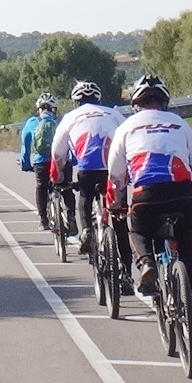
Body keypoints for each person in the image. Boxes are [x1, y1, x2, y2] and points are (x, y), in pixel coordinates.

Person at [106, 74, 192, 343]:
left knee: (137, 230)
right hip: (184, 195)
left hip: (147, 196)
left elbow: (116, 175)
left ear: (136, 104)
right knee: (191, 256)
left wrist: (116, 204)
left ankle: (146, 263)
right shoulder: (180, 124)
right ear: (164, 102)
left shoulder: (126, 128)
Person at [52, 80, 126, 281]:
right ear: (98, 99)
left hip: (87, 170)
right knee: (119, 220)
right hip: (112, 170)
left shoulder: (70, 117)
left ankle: (86, 231)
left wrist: (57, 177)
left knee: (85, 196)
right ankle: (127, 272)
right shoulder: (114, 114)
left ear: (75, 102)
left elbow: (58, 152)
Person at [17, 93, 61, 230]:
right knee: (65, 187)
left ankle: (43, 220)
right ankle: (71, 217)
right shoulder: (61, 121)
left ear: (39, 109)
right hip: (59, 161)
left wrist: (25, 164)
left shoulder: (32, 122)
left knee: (41, 187)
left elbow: (26, 145)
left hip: (40, 162)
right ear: (54, 109)